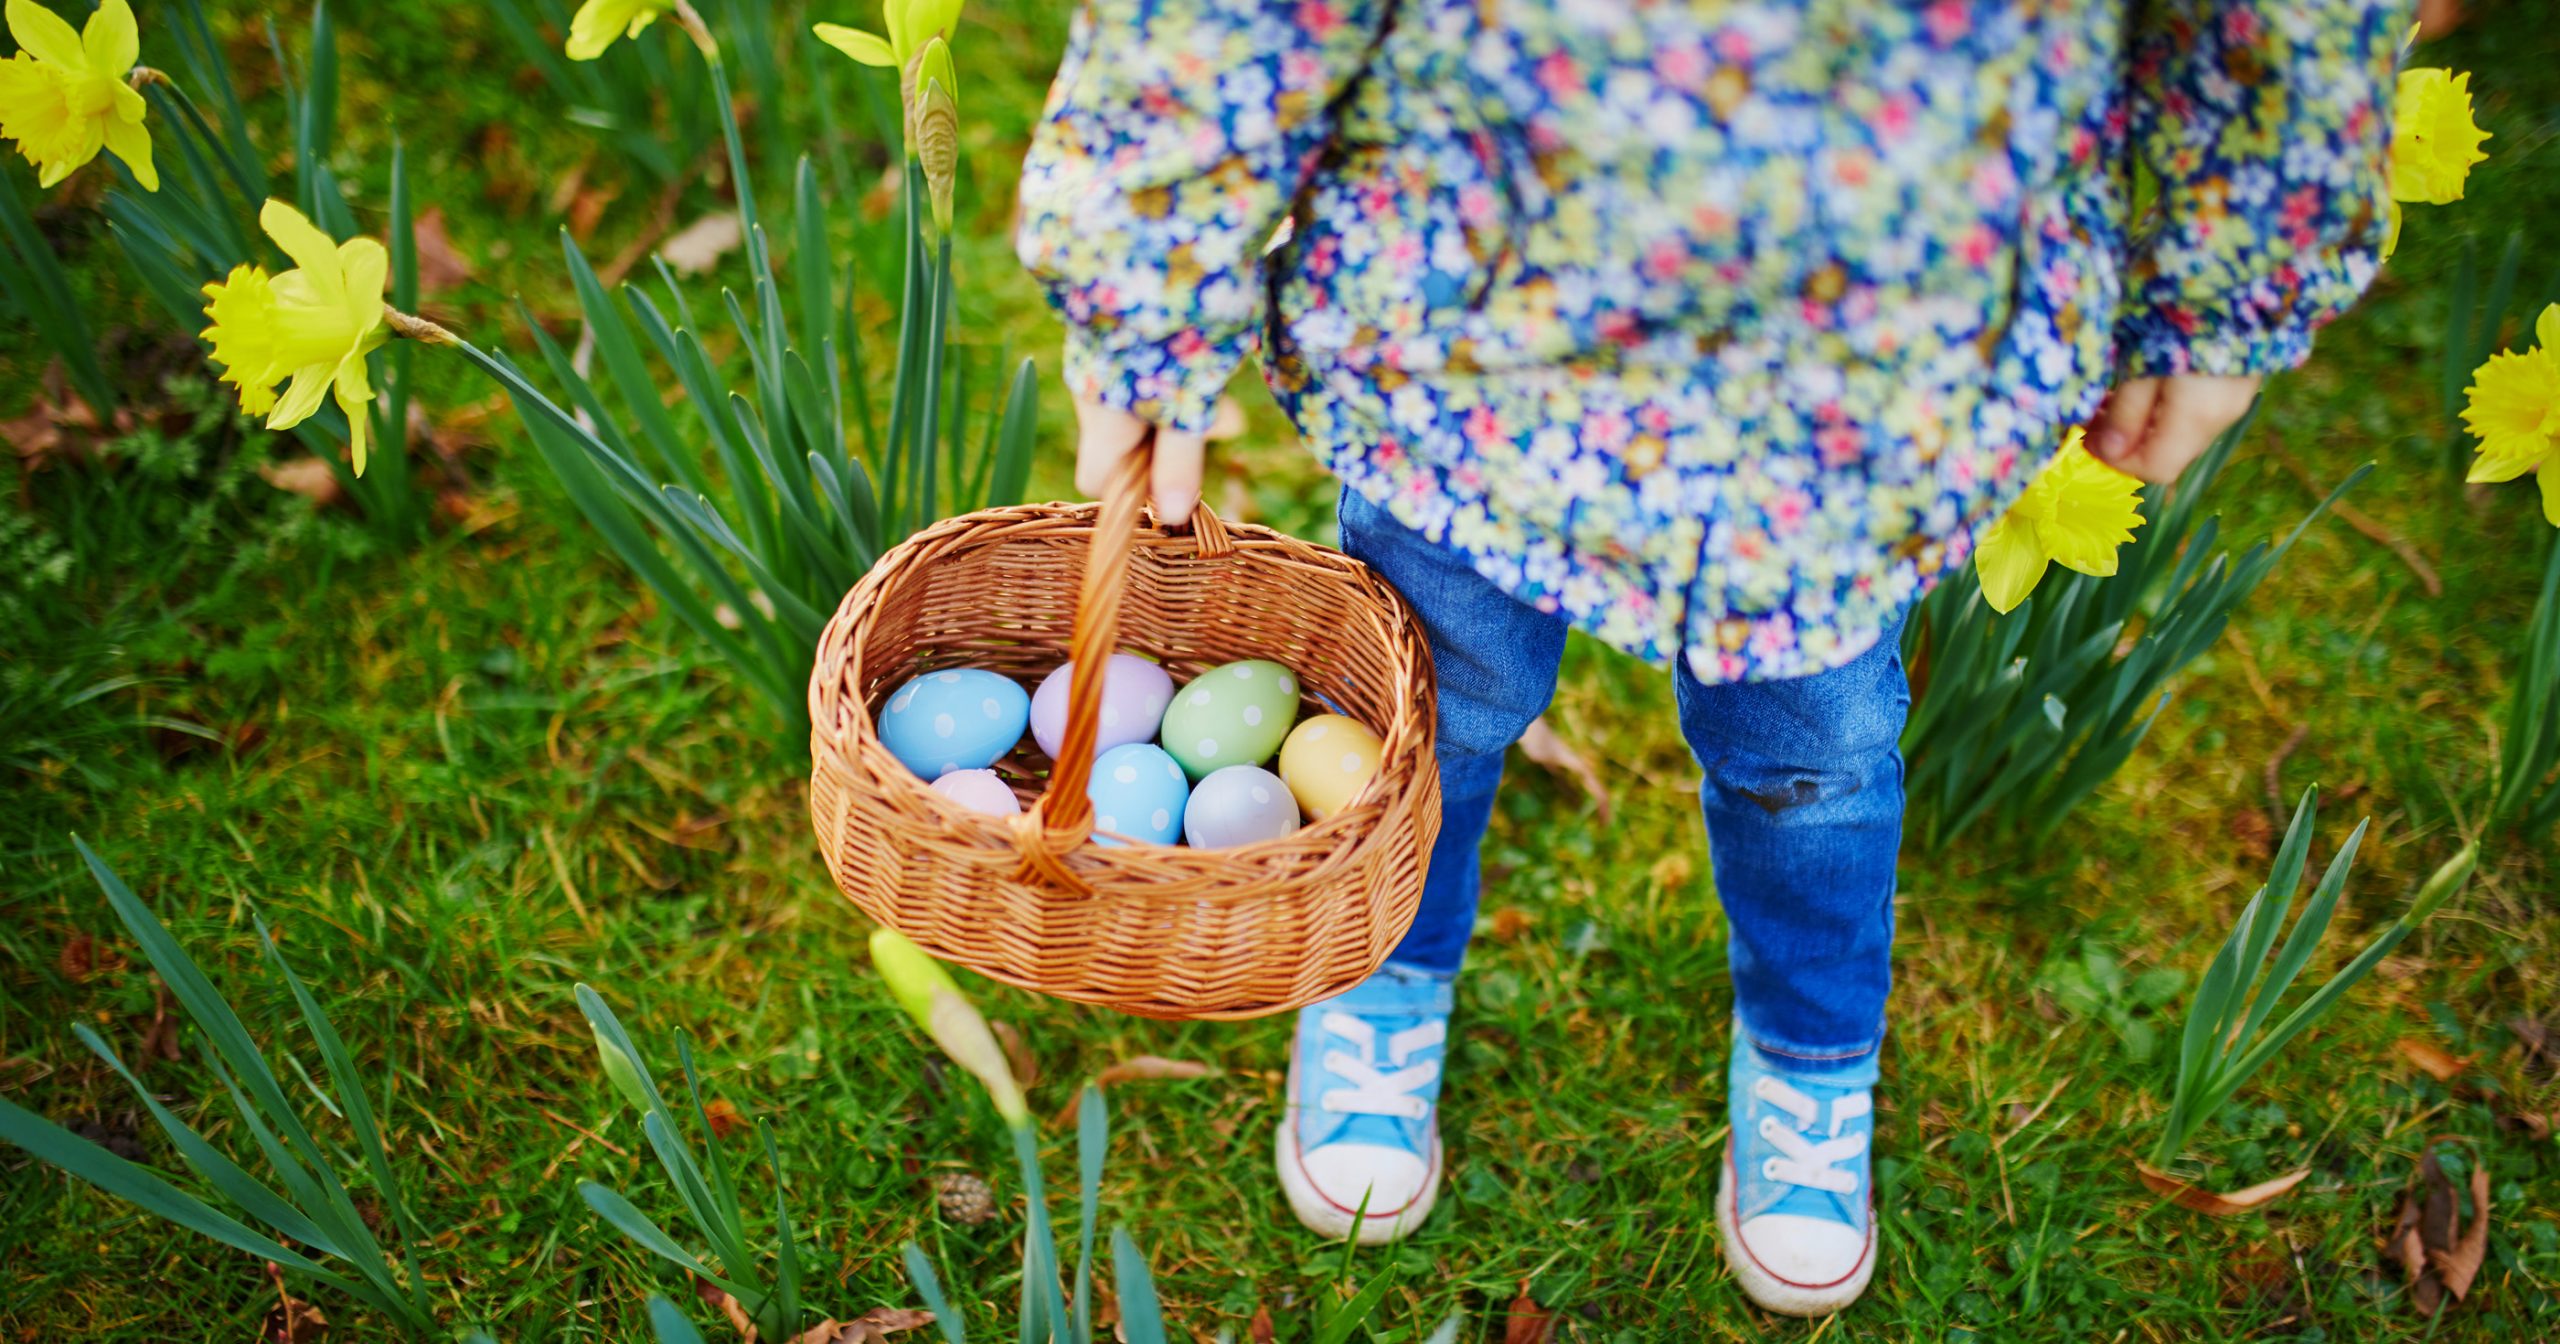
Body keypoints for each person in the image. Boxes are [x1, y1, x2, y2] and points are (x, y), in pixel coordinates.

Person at [1016, 0, 2396, 1316]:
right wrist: (1149, 273)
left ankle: (1811, 1056)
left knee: (1817, 755)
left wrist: (2231, 266)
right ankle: (1385, 967)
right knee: (1432, 705)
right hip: (1482, 324)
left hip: (1860, 377)